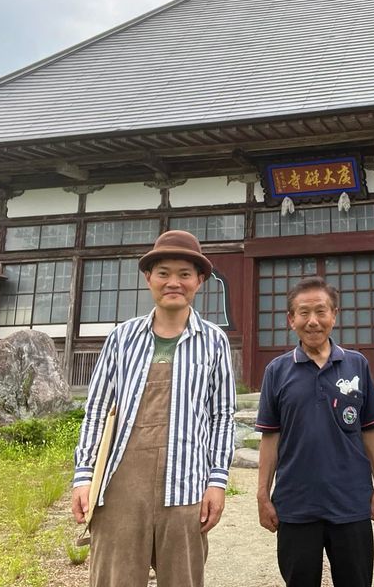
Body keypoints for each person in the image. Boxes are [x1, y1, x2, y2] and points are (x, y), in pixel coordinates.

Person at [71, 230, 236, 587]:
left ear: (200, 281)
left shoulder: (214, 341)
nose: (173, 282)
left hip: (187, 486)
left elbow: (223, 416)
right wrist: (84, 476)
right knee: (114, 579)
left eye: (184, 274)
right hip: (119, 486)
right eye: (163, 273)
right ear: (149, 278)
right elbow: (97, 410)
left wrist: (217, 482)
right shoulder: (122, 338)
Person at [255, 276, 374, 587]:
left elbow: (369, 429)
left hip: (351, 503)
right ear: (291, 320)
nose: (313, 321)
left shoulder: (356, 365)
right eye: (303, 313)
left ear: (334, 315)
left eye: (321, 311)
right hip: (296, 504)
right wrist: (263, 495)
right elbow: (270, 437)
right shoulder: (277, 371)